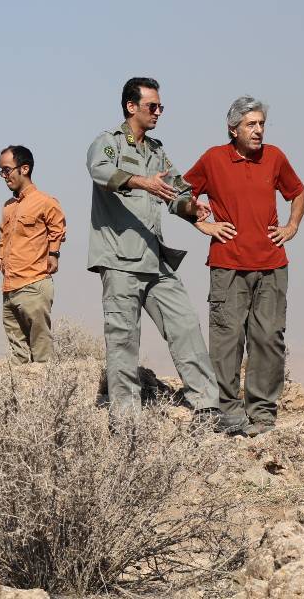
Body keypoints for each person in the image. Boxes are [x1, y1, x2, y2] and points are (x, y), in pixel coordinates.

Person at [86, 77, 243, 434]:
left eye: (161, 107)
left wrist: (193, 210)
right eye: (152, 106)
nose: (158, 112)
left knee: (184, 324)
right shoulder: (108, 143)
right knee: (124, 340)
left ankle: (207, 407)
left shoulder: (156, 151)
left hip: (154, 259)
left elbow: (177, 192)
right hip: (119, 260)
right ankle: (125, 422)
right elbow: (100, 171)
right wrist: (143, 182)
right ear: (131, 107)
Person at [185, 96, 304, 436]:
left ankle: (262, 415)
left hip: (272, 265)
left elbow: (298, 192)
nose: (258, 130)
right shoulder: (213, 159)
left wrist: (292, 227)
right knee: (227, 340)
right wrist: (202, 224)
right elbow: (180, 194)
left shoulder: (274, 157)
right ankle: (227, 413)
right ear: (233, 129)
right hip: (228, 266)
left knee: (269, 339)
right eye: (250, 124)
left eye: (261, 124)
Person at [0, 145, 66, 363]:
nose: (4, 176)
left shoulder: (45, 202)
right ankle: (23, 385)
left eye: (7, 170)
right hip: (9, 288)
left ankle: (45, 385)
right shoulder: (8, 206)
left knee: (41, 354)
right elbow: (3, 236)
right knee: (18, 358)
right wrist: (0, 256)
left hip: (34, 284)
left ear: (24, 169)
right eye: (1, 171)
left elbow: (58, 228)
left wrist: (54, 254)